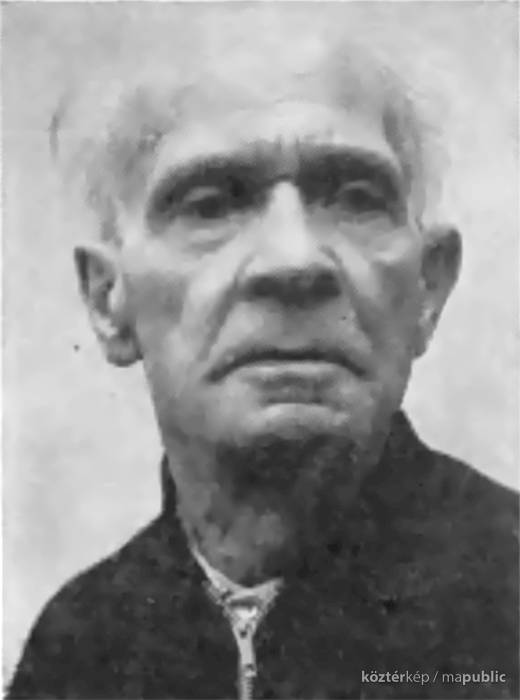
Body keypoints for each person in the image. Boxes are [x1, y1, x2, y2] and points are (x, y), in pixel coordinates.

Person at [8, 31, 518, 700]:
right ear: (109, 300)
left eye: (356, 197)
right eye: (210, 204)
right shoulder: (78, 650)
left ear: (427, 288)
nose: (294, 259)